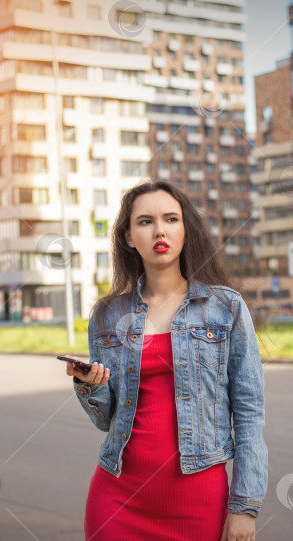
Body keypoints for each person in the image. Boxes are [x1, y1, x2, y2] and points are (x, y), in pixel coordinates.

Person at [64, 180, 268, 541]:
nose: (160, 230)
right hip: (117, 496)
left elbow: (249, 413)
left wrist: (244, 505)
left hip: (197, 500)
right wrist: (89, 386)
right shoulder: (108, 315)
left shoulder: (226, 308)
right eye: (145, 221)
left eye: (171, 219)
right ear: (128, 236)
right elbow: (105, 420)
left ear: (185, 229)